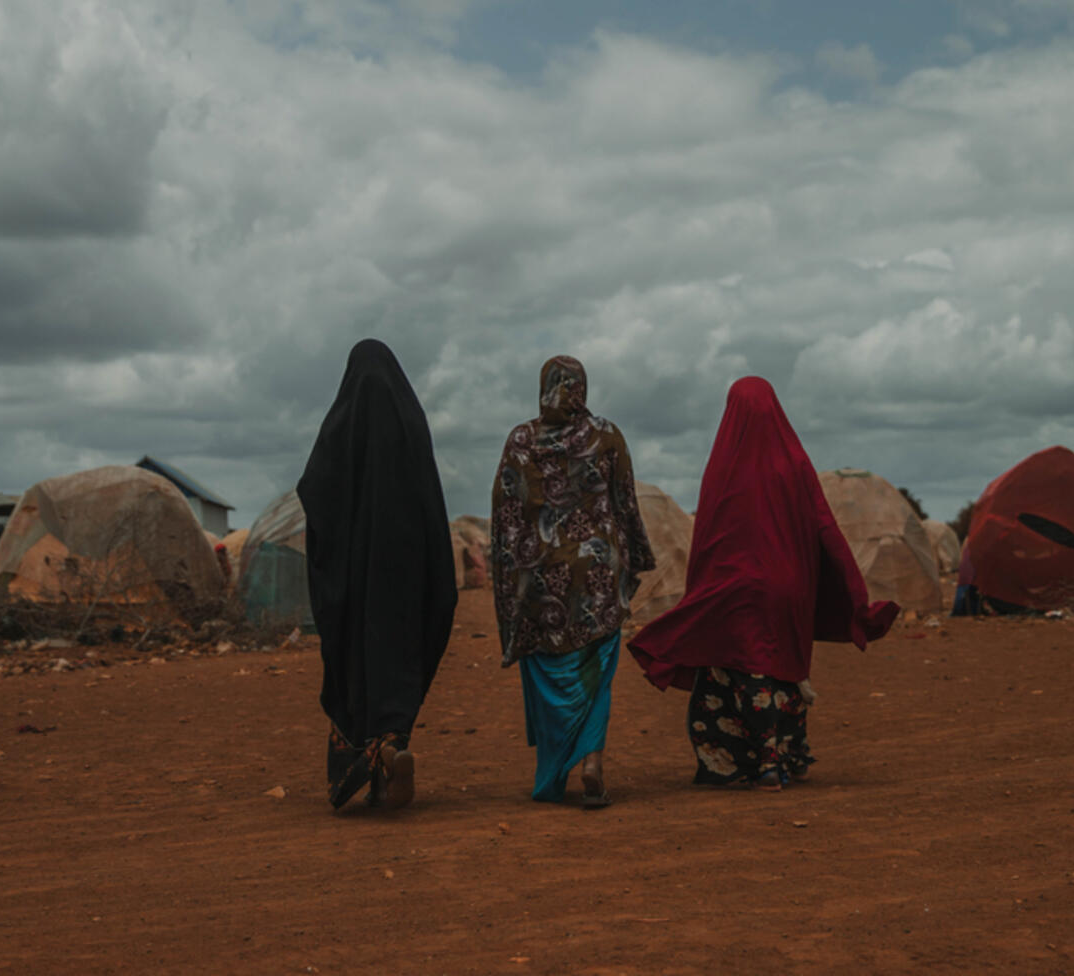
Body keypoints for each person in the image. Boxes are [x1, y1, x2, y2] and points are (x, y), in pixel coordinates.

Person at [628, 376, 898, 790]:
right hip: (787, 592)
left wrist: (703, 591)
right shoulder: (794, 463)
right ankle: (786, 757)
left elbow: (708, 540)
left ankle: (749, 764)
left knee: (737, 671)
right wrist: (853, 596)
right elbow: (826, 529)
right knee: (781, 671)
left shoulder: (724, 465)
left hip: (734, 591)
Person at [297, 339, 457, 811]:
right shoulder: (410, 424)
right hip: (405, 578)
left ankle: (376, 756)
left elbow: (313, 490)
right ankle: (391, 744)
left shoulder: (340, 429)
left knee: (354, 666)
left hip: (350, 583)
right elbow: (431, 501)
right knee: (398, 661)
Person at [490, 355, 655, 807]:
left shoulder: (520, 440)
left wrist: (511, 581)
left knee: (550, 679)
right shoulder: (606, 435)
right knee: (596, 676)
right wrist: (634, 558)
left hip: (542, 583)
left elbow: (506, 515)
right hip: (598, 581)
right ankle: (592, 762)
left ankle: (556, 772)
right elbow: (626, 503)